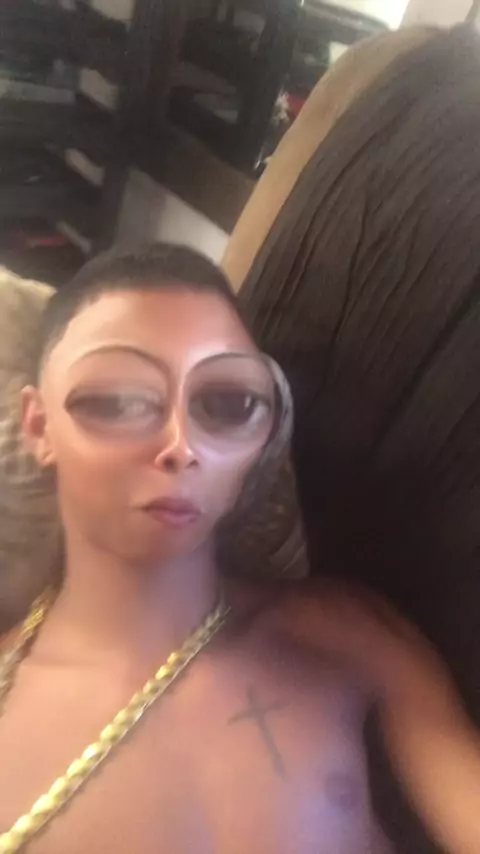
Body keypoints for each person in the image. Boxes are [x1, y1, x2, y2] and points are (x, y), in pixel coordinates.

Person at [0, 243, 471, 854]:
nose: (182, 446)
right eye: (118, 401)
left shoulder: (341, 632)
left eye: (228, 405)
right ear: (39, 427)